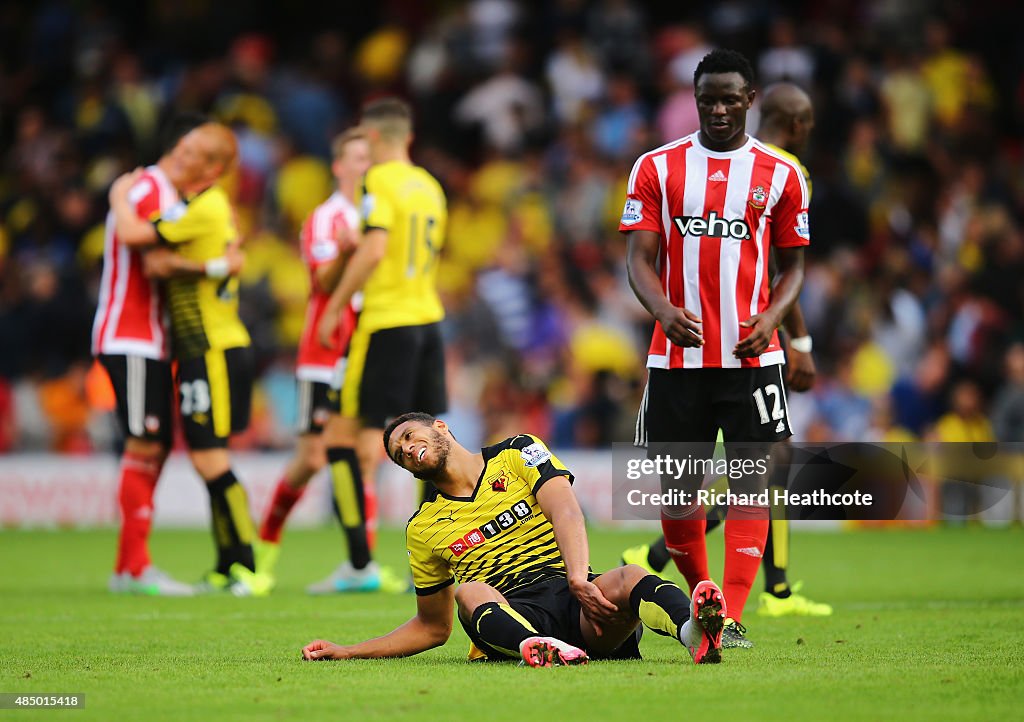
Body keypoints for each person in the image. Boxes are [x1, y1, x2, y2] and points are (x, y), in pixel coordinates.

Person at [620, 82, 831, 625]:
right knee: (678, 487)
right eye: (708, 100)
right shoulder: (656, 167)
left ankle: (732, 615)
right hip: (677, 358)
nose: (718, 109)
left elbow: (794, 268)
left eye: (729, 100)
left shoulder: (780, 173)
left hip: (752, 359)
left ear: (749, 100)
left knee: (754, 477)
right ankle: (702, 597)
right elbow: (638, 257)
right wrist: (664, 311)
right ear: (694, 98)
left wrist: (775, 321)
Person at [301, 412, 727, 666]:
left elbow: (565, 508)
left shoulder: (518, 451)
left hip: (575, 600)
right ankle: (537, 648)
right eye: (399, 454)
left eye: (410, 437)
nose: (408, 450)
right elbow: (432, 627)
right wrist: (350, 651)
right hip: (509, 611)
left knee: (631, 575)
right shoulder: (422, 527)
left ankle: (694, 633)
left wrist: (579, 579)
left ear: (440, 428)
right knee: (467, 590)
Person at [109, 122, 268, 596]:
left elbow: (145, 246)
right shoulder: (207, 209)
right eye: (181, 145)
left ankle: (246, 564)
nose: (180, 154)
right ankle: (227, 564)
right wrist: (218, 263)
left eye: (193, 151)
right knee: (206, 456)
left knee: (209, 456)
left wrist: (118, 196)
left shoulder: (207, 207)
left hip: (212, 348)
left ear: (213, 168)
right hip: (205, 348)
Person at [252, 128, 402, 593]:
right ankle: (263, 551)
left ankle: (364, 566)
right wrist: (346, 249)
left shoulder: (381, 214)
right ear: (338, 165)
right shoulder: (326, 218)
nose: (364, 164)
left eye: (369, 157)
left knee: (365, 456)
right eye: (356, 156)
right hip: (325, 351)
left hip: (367, 349)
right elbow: (321, 284)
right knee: (312, 457)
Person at [312, 98, 448, 592]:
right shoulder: (431, 187)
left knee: (346, 441)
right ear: (407, 137)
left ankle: (359, 565)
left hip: (388, 322)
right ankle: (439, 560)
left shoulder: (381, 181)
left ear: (371, 139)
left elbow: (374, 248)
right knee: (433, 444)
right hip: (429, 321)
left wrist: (333, 307)